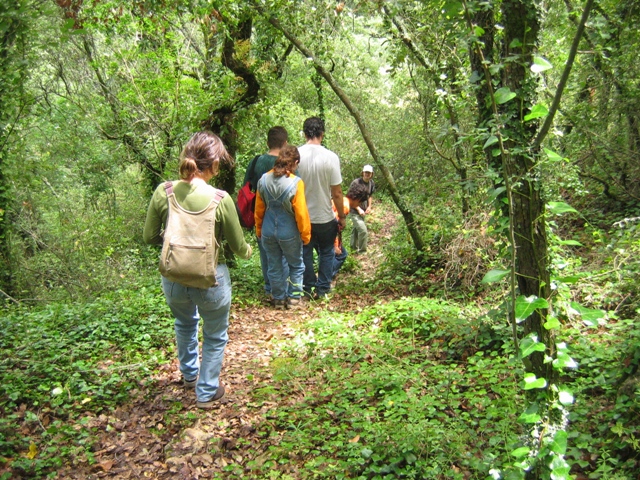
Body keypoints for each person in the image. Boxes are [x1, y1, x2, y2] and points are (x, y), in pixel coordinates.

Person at [143, 131, 252, 409]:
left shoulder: (164, 191)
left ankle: (190, 376)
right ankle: (206, 391)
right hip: (211, 279)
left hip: (174, 278)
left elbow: (149, 236)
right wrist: (249, 251)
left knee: (184, 323)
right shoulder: (220, 199)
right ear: (214, 164)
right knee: (214, 335)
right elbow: (238, 246)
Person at [254, 145, 311, 309]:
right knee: (296, 265)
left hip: (268, 230)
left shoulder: (263, 179)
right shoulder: (296, 182)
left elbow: (259, 209)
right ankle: (294, 299)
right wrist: (305, 235)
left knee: (274, 265)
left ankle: (278, 299)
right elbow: (301, 213)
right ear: (295, 162)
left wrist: (259, 230)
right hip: (289, 231)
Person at [297, 117, 345, 299]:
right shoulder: (331, 157)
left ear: (304, 134)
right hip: (325, 216)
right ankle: (323, 288)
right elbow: (337, 192)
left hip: (302, 216)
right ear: (322, 134)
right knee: (326, 251)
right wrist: (342, 216)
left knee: (305, 252)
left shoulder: (296, 156)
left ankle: (308, 288)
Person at [244, 126, 289, 301]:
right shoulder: (288, 163)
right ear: (285, 143)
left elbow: (246, 187)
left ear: (268, 143)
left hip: (261, 214)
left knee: (266, 253)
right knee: (284, 254)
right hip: (285, 216)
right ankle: (283, 290)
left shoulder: (256, 162)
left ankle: (270, 288)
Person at [331, 181, 371, 281]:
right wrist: (335, 245)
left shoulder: (343, 201)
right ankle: (326, 277)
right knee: (340, 255)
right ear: (357, 199)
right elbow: (332, 226)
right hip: (326, 234)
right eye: (360, 202)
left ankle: (326, 276)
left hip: (321, 231)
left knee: (335, 254)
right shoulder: (344, 206)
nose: (359, 205)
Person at [348, 164, 376, 254]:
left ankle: (353, 248)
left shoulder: (371, 183)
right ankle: (362, 251)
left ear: (372, 174)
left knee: (356, 229)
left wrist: (369, 206)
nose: (367, 174)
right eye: (366, 172)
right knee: (363, 231)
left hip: (363, 211)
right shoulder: (356, 183)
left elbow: (370, 195)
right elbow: (350, 198)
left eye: (369, 173)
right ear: (362, 173)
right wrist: (358, 209)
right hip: (354, 211)